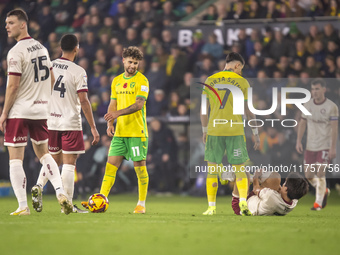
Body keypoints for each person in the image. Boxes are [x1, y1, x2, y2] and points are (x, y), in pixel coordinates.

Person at [0, 9, 72, 215]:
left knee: (15, 159)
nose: (7, 26)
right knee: (44, 154)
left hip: (20, 111)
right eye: (6, 23)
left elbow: (12, 86)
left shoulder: (15, 52)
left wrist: (4, 113)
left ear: (23, 24)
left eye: (11, 22)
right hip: (41, 110)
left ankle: (23, 206)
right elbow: (51, 79)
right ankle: (60, 191)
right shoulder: (42, 48)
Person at [31, 34, 100, 213]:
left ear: (61, 48)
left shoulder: (49, 66)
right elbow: (84, 101)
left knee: (53, 160)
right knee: (69, 164)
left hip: (50, 122)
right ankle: (67, 205)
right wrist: (93, 127)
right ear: (76, 48)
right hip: (70, 122)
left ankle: (38, 185)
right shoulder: (78, 71)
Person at [81, 46, 149, 214]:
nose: (133, 66)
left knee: (139, 167)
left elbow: (139, 105)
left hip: (136, 132)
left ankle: (141, 203)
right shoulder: (117, 80)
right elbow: (113, 102)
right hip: (120, 133)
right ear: (123, 60)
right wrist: (111, 122)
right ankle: (99, 201)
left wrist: (117, 113)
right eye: (130, 62)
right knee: (110, 167)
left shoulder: (142, 81)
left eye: (136, 63)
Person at [200, 52, 260, 216]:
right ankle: (242, 202)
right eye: (241, 69)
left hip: (214, 130)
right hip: (235, 130)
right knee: (240, 169)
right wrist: (255, 132)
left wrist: (204, 131)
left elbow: (203, 110)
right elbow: (248, 110)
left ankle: (211, 207)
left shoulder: (210, 80)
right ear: (237, 66)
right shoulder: (242, 82)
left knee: (211, 169)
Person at [296, 78, 339, 210]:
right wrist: (298, 140)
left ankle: (318, 203)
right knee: (309, 175)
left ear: (323, 90)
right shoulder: (307, 105)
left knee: (320, 173)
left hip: (324, 146)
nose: (314, 92)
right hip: (310, 146)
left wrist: (333, 147)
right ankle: (323, 190)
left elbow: (334, 128)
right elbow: (302, 123)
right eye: (313, 89)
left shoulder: (331, 107)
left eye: (317, 89)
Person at [231, 171, 309, 216]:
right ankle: (247, 179)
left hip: (242, 207)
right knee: (275, 177)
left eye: (284, 183)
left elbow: (256, 189)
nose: (282, 185)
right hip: (262, 202)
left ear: (286, 189)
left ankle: (234, 178)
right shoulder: (294, 201)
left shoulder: (270, 196)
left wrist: (256, 177)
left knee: (243, 173)